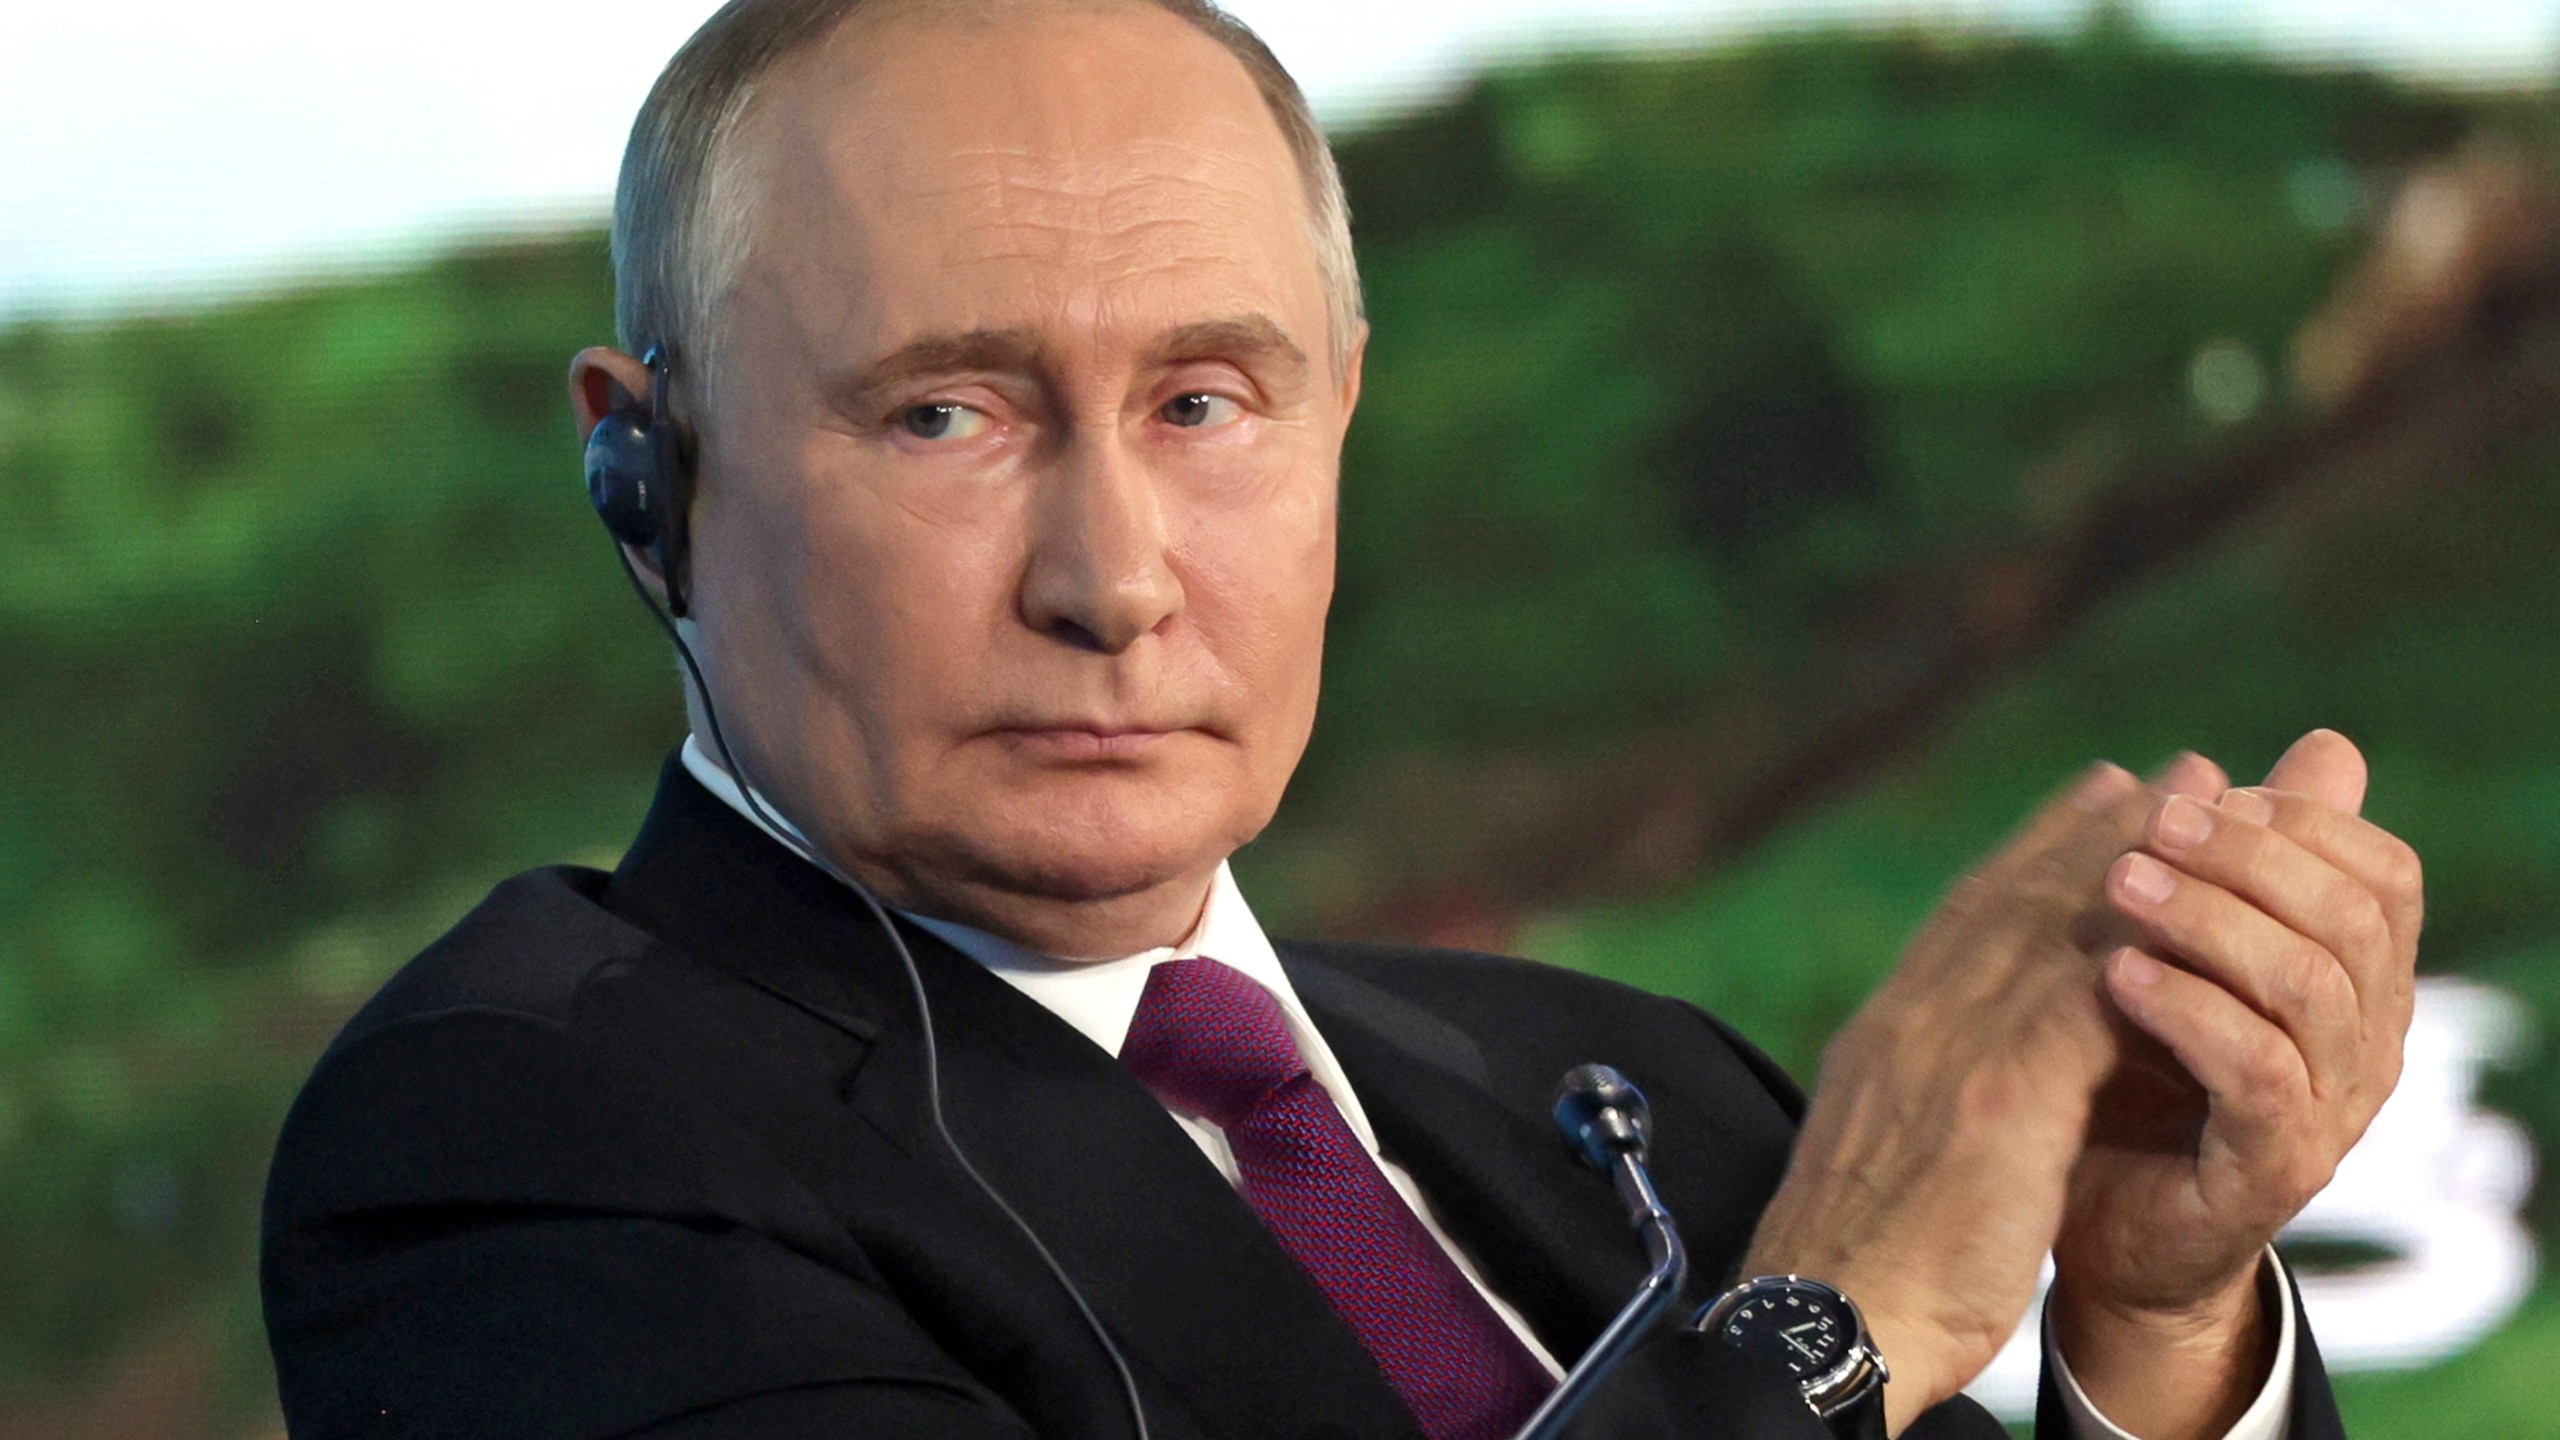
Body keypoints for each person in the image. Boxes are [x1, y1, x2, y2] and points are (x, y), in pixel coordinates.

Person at [259, 1, 2421, 1436]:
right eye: (945, 412)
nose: (1109, 577)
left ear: (1340, 423)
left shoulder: (1636, 1085)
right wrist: (1821, 1329)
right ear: (648, 472)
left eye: (1205, 402)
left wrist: (2155, 1332)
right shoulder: (512, 1138)